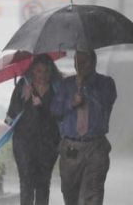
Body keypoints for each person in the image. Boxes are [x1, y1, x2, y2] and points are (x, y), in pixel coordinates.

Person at [51, 50, 117, 205]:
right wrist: (71, 103)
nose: (79, 66)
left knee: (92, 193)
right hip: (71, 147)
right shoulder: (66, 84)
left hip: (95, 145)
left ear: (93, 62)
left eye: (83, 62)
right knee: (70, 193)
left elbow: (105, 103)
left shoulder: (105, 83)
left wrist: (85, 88)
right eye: (76, 62)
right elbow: (55, 109)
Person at [5, 54, 62, 205]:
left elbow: (61, 114)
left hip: (49, 143)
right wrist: (24, 100)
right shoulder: (23, 86)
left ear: (51, 72)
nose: (42, 75)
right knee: (26, 181)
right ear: (32, 72)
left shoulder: (58, 88)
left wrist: (42, 106)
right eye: (38, 71)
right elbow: (10, 117)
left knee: (44, 182)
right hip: (24, 142)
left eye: (46, 71)